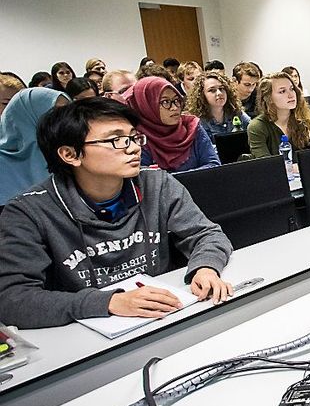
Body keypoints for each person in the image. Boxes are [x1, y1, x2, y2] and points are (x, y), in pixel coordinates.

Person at [0, 97, 233, 329]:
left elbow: (207, 234)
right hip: (87, 335)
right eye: (116, 140)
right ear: (70, 154)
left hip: (166, 318)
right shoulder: (28, 212)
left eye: (133, 137)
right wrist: (109, 302)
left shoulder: (157, 184)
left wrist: (205, 267)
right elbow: (12, 299)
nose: (133, 148)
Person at [125, 77, 220, 172]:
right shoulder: (138, 138)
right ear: (146, 106)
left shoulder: (191, 126)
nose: (174, 108)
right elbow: (143, 180)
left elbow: (214, 165)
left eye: (176, 100)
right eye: (165, 102)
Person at [0, 88, 69, 205]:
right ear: (26, 116)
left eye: (68, 112)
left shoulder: (69, 156)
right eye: (55, 112)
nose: (66, 119)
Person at [248, 72, 310, 158]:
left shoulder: (307, 120)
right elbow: (265, 164)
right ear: (268, 98)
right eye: (282, 91)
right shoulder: (257, 126)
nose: (291, 95)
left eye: (292, 89)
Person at [186, 71, 250, 138]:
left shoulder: (236, 112)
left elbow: (252, 130)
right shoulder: (196, 121)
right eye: (212, 90)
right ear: (202, 95)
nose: (219, 93)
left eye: (221, 88)